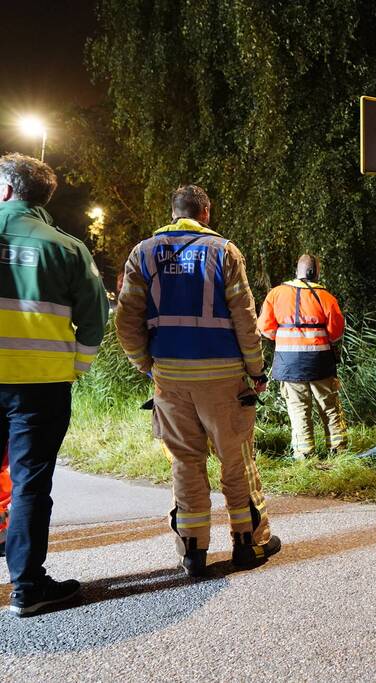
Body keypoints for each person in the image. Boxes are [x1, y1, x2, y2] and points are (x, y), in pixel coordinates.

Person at [116, 184, 280, 578]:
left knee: (186, 463)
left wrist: (146, 364)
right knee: (236, 460)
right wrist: (256, 370)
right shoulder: (224, 251)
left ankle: (193, 551)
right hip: (223, 378)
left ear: (174, 213)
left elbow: (126, 319)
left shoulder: (143, 253)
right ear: (205, 213)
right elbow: (245, 318)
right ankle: (248, 543)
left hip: (171, 377)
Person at [0, 153, 108, 616]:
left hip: (34, 385)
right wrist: (76, 368)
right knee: (30, 482)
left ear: (6, 190)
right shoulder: (66, 247)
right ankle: (27, 588)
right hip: (40, 385)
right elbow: (94, 318)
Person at [257, 254, 346, 458]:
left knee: (298, 409)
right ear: (315, 272)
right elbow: (336, 332)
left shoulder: (276, 294)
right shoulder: (325, 296)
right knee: (329, 407)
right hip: (320, 362)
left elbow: (265, 328)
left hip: (288, 363)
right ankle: (338, 451)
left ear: (297, 271)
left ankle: (304, 454)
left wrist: (285, 336)